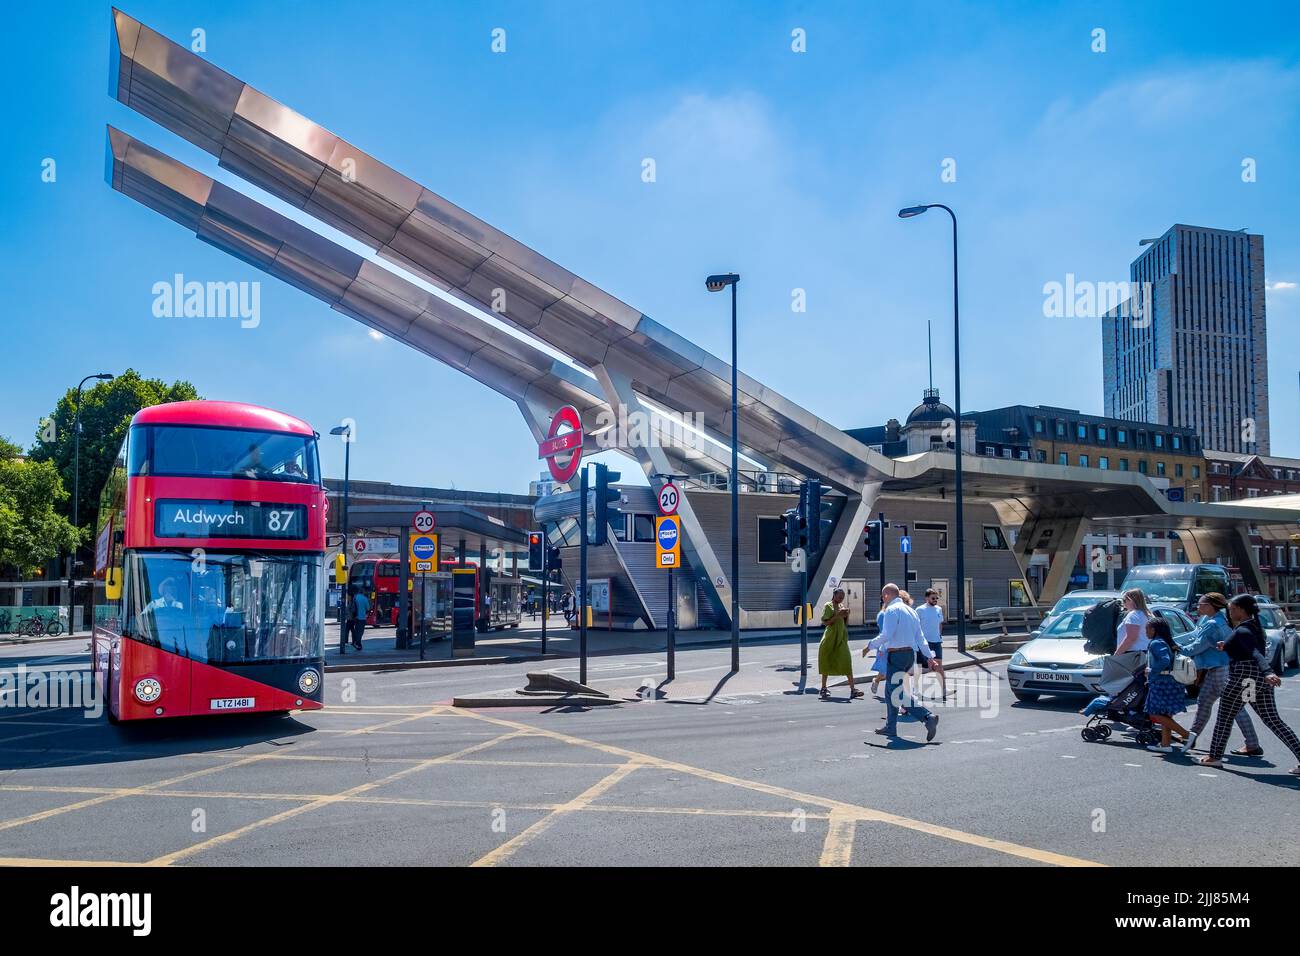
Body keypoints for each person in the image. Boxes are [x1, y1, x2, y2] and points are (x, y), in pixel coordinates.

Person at [1199, 594, 1300, 774]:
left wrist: (1268, 672)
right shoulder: (1254, 627)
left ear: (1239, 610)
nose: (1229, 613)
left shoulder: (1243, 630)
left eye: (1231, 610)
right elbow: (1249, 649)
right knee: (1272, 720)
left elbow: (1254, 653)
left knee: (1225, 716)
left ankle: (1214, 757)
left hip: (1245, 678)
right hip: (1257, 680)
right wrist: (1227, 646)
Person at [1175, 593, 1260, 756]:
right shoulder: (1215, 620)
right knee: (1204, 702)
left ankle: (1252, 744)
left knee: (1234, 707)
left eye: (1200, 604)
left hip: (1221, 669)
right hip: (1218, 668)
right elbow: (1195, 638)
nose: (1197, 607)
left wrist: (1176, 648)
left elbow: (1197, 646)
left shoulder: (1213, 624)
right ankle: (1191, 737)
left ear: (1209, 606)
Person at [864, 583, 941, 742]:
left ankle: (927, 717)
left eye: (882, 597)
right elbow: (920, 638)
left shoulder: (891, 610)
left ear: (886, 595)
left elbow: (886, 634)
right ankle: (890, 727)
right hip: (909, 655)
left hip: (897, 655)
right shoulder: (911, 611)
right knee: (889, 691)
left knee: (896, 693)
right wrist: (929, 657)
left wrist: (870, 646)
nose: (882, 600)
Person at [1143, 617, 1190, 753]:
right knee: (1165, 715)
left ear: (1154, 629)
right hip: (1172, 682)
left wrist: (1151, 670)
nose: (1145, 632)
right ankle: (1165, 745)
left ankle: (1187, 735)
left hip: (1161, 683)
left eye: (1147, 629)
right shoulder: (1167, 641)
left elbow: (1164, 660)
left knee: (1155, 713)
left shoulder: (1156, 643)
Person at [818, 589, 862, 700]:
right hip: (830, 639)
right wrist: (837, 615)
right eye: (839, 596)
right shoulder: (828, 606)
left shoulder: (842, 605)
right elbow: (825, 622)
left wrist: (847, 615)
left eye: (843, 596)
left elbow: (844, 623)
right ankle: (823, 688)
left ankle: (853, 690)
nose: (841, 598)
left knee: (847, 661)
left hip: (841, 639)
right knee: (826, 661)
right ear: (834, 595)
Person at [915, 588, 948, 698]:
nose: (935, 600)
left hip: (936, 642)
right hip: (924, 642)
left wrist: (939, 635)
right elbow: (916, 626)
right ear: (926, 598)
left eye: (936, 598)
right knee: (920, 667)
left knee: (939, 666)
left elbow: (940, 624)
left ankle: (944, 689)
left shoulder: (938, 609)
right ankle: (916, 689)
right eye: (933, 598)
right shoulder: (920, 610)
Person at [1114, 587, 1150, 655]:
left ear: (1132, 600)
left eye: (1124, 600)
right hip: (1144, 652)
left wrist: (1117, 653)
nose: (1123, 604)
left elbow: (1131, 638)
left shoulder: (1133, 615)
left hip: (1133, 654)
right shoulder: (1148, 614)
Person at [349, 585, 370, 652]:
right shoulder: (365, 598)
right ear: (363, 592)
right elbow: (368, 608)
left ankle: (355, 642)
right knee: (360, 631)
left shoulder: (355, 597)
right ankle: (358, 643)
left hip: (355, 617)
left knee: (356, 630)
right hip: (362, 617)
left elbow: (351, 606)